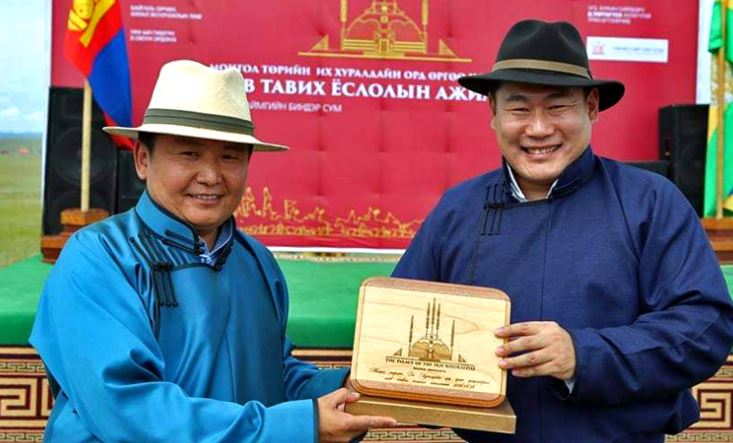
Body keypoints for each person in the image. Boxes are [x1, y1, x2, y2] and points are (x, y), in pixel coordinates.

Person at [392, 19, 733, 443]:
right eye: (519, 108)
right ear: (493, 113)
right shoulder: (458, 209)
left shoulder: (650, 202)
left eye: (557, 107)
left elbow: (704, 327)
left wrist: (582, 355)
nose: (538, 128)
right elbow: (399, 324)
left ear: (591, 107)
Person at [30, 60, 396, 442]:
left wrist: (349, 391)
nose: (210, 176)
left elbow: (272, 374)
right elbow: (128, 410)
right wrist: (299, 425)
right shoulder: (100, 257)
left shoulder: (255, 260)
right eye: (189, 154)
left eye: (229, 156)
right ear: (142, 159)